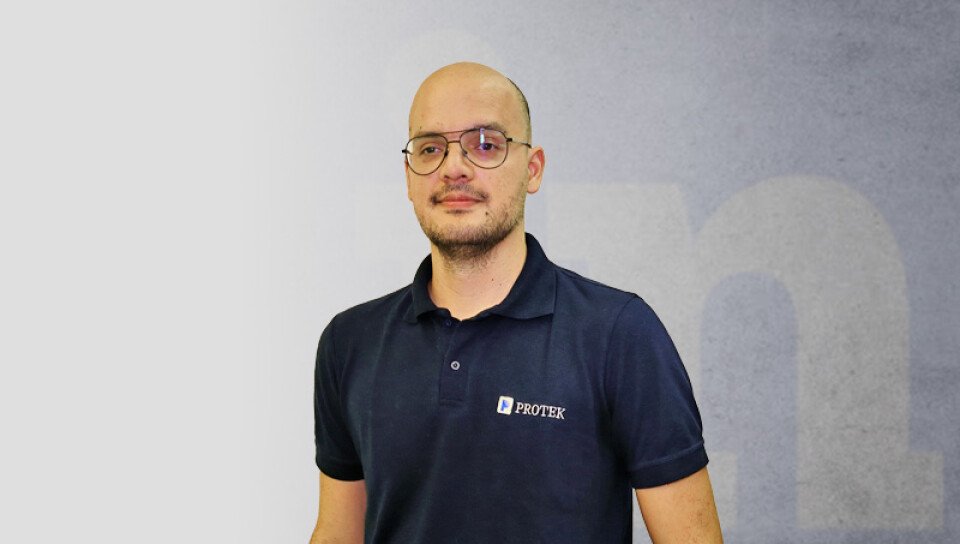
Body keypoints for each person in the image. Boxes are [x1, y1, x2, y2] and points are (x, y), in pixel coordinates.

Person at [310, 62, 722, 543]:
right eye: (430, 148)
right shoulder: (349, 343)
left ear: (533, 169)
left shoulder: (619, 334)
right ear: (409, 176)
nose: (454, 167)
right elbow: (336, 534)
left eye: (485, 144)